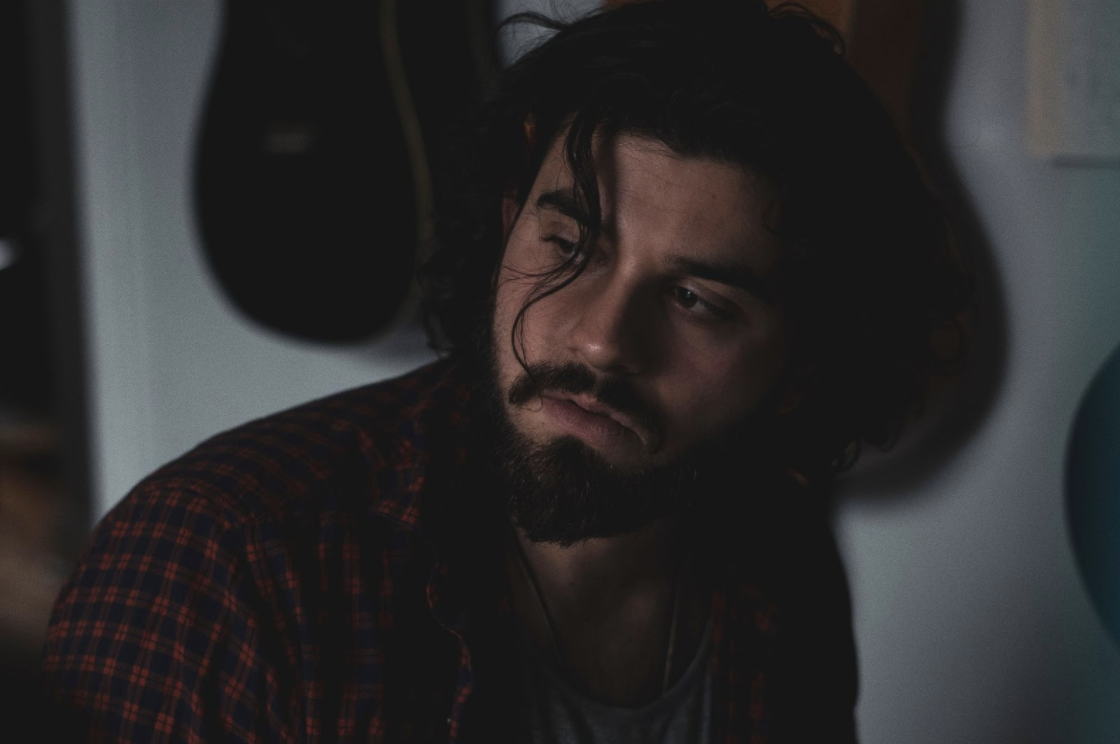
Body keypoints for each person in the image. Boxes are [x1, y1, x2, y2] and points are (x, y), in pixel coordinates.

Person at [44, 0, 971, 741]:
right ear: (506, 224)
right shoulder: (219, 563)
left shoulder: (776, 550)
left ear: (806, 360)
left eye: (696, 300)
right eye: (568, 244)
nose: (602, 340)